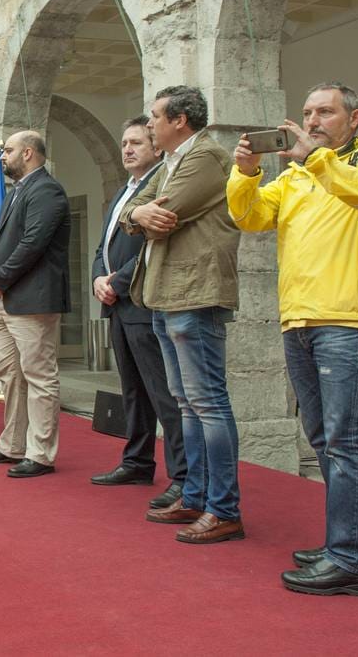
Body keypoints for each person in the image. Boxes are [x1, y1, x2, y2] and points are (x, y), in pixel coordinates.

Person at [228, 82, 358, 595]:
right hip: (299, 319)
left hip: (349, 319)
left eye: (325, 111)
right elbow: (251, 216)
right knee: (327, 439)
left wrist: (318, 160)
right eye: (307, 113)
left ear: (354, 118)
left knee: (346, 441)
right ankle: (350, 544)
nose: (312, 121)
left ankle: (350, 562)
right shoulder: (299, 173)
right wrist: (244, 174)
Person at [123, 86, 243, 544]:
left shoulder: (207, 156)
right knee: (187, 403)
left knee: (208, 402)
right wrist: (141, 212)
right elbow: (130, 211)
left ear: (180, 120)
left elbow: (165, 212)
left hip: (194, 292)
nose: (149, 124)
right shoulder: (169, 162)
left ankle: (224, 508)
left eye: (155, 117)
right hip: (164, 293)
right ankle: (195, 495)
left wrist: (144, 212)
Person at [90, 117, 187, 509]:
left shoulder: (161, 184)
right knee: (132, 390)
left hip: (144, 301)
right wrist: (99, 277)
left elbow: (152, 247)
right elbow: (104, 245)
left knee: (163, 394)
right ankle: (137, 460)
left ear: (156, 148)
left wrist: (116, 282)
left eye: (136, 143)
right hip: (117, 303)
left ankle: (182, 476)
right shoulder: (124, 190)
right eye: (124, 142)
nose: (127, 149)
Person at [0, 131, 71, 478]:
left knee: (39, 377)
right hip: (7, 301)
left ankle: (41, 453)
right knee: (10, 375)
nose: (3, 157)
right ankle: (13, 445)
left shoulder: (47, 190)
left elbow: (34, 243)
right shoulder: (18, 192)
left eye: (9, 151)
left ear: (29, 153)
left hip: (34, 300)